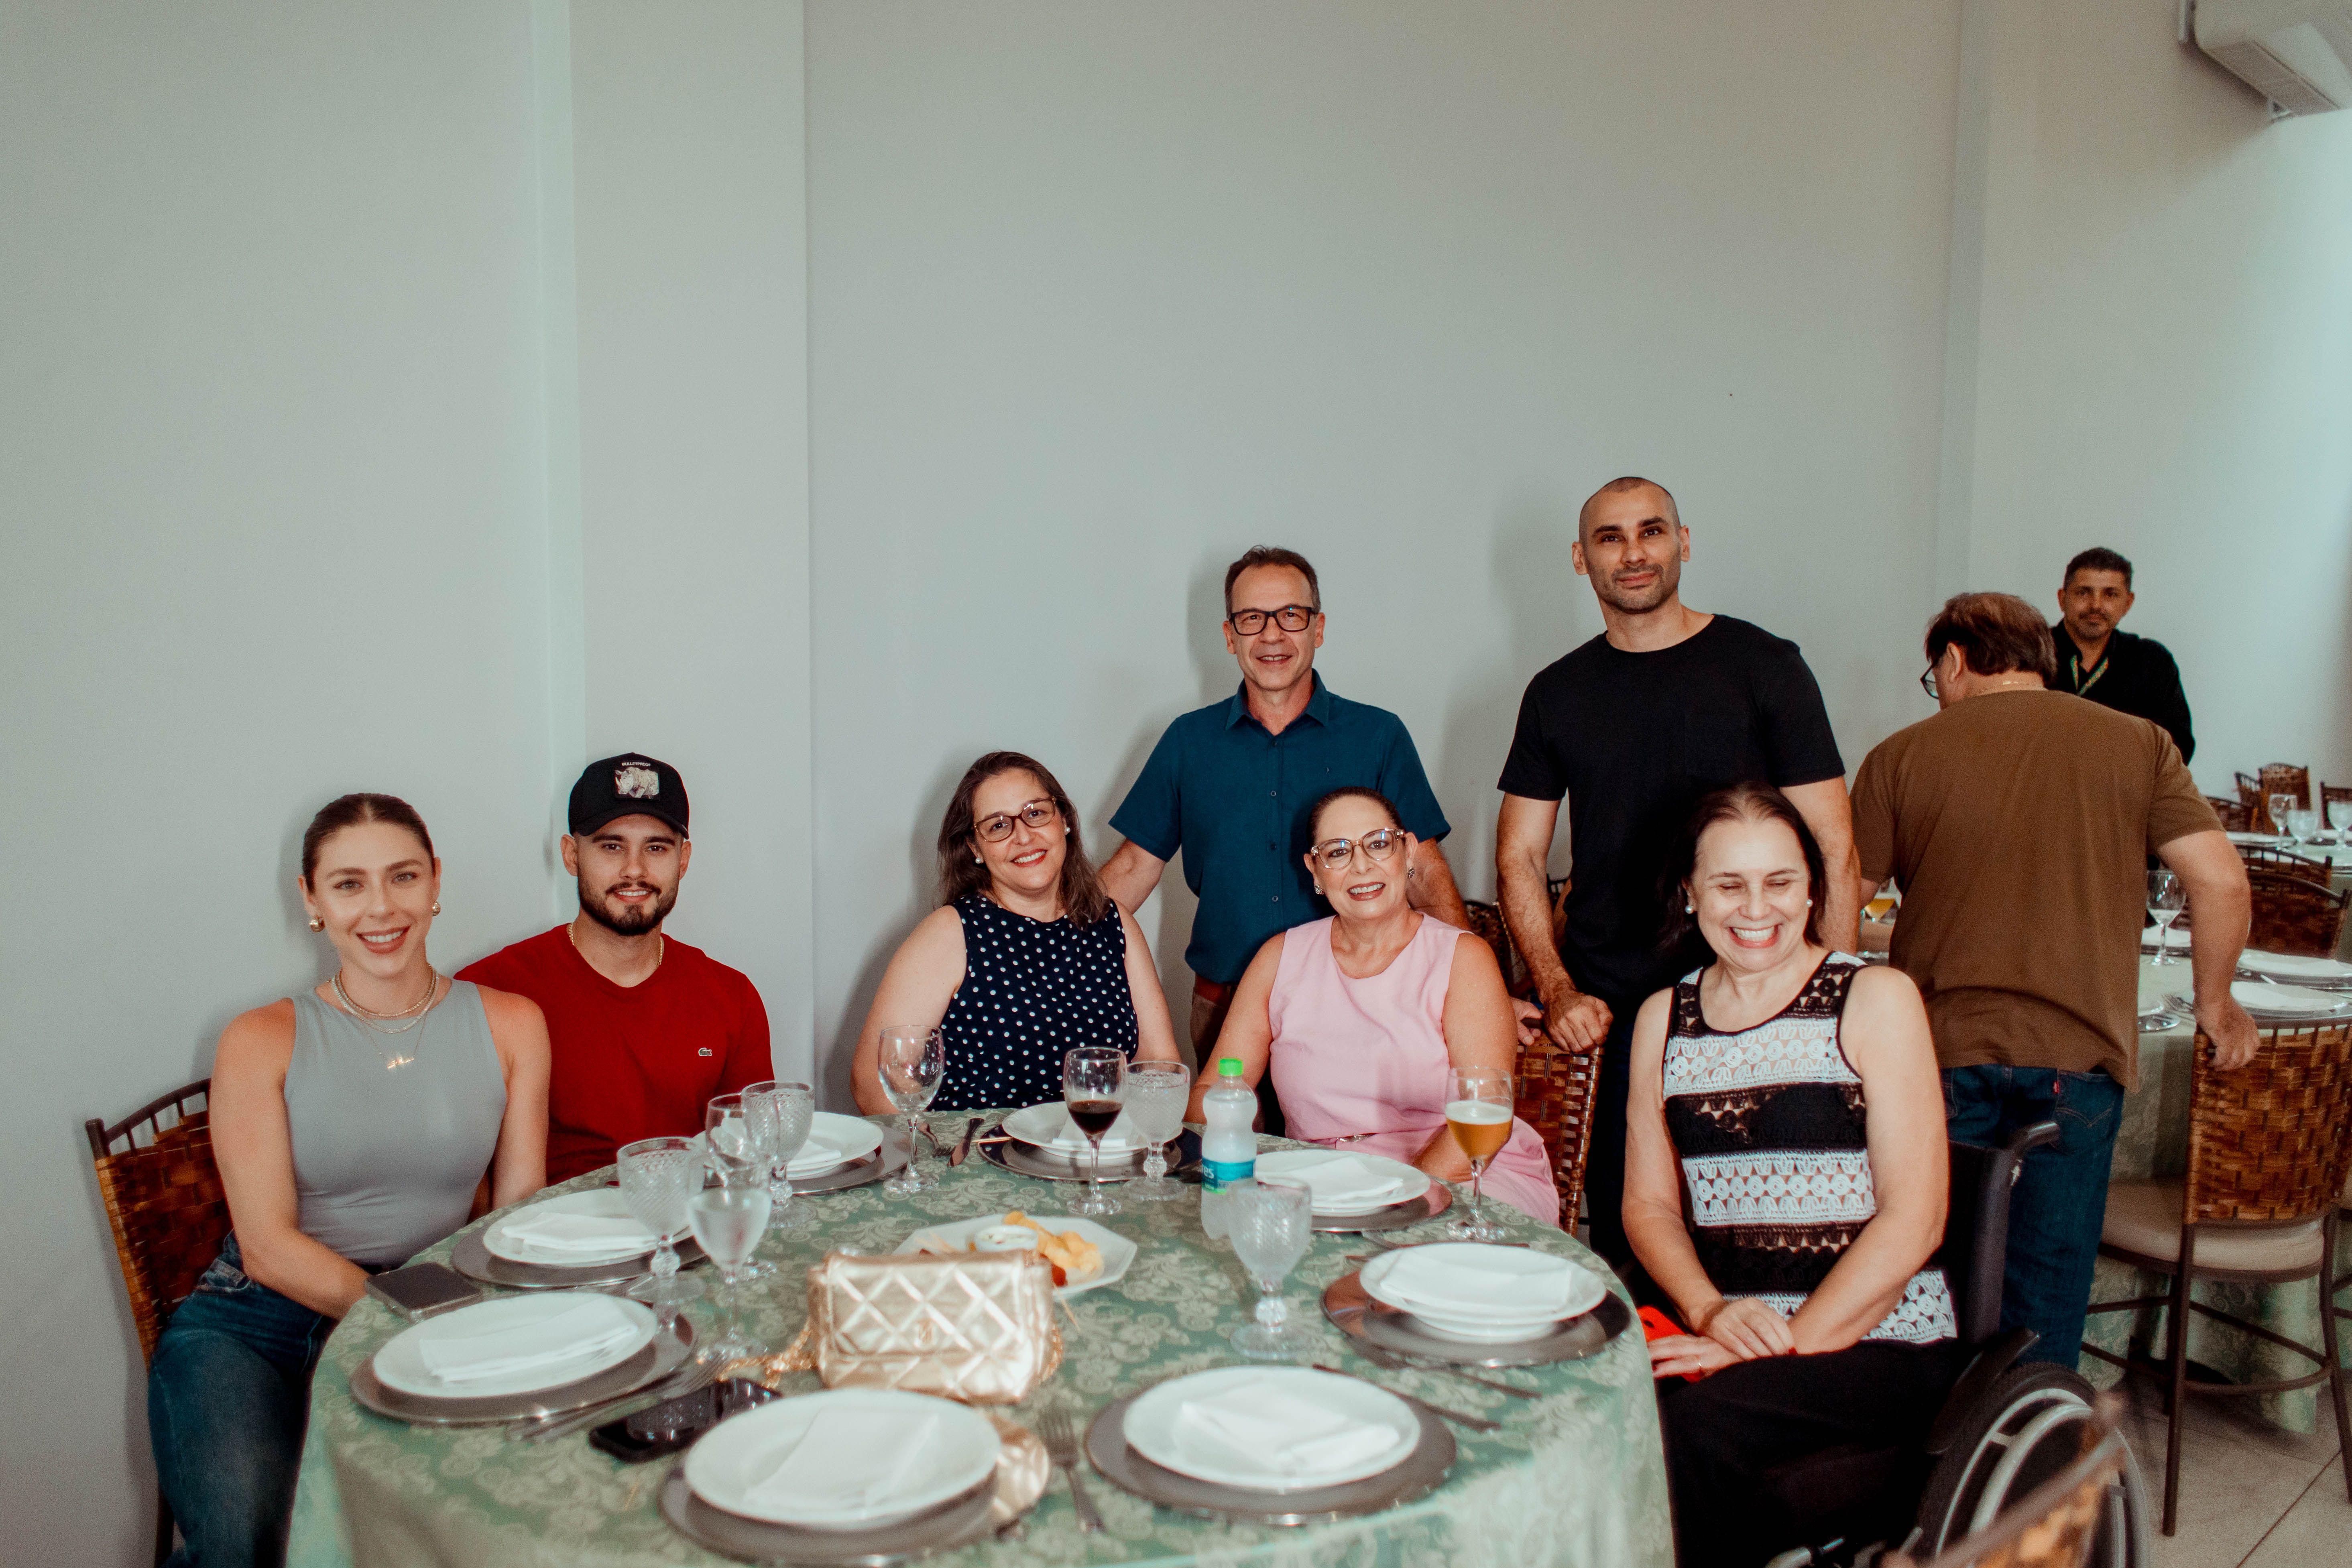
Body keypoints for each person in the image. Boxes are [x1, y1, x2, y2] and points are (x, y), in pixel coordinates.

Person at [1851, 592, 2255, 1368]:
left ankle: (1934, 1430)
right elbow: (2222, 881)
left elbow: (1843, 895)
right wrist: (2216, 1001)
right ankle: (2035, 1432)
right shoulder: (2140, 743)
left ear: (1955, 661)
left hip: (1939, 1052)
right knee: (2047, 1290)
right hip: (2080, 1055)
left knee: (1928, 1272)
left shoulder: (1901, 754)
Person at [149, 794, 548, 1568]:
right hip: (255, 1324)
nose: (381, 907)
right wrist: (417, 1318)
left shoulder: (513, 1024)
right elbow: (267, 1247)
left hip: (432, 1304)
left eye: (403, 876)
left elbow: (516, 1219)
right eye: (348, 884)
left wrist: (487, 1328)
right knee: (248, 1539)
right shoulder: (259, 1037)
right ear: (312, 899)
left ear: (436, 881)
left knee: (459, 1525)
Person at [1495, 476, 1858, 1265]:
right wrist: (1556, 987)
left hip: (1755, 1002)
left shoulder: (1765, 666)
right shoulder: (1556, 693)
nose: (1633, 553)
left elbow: (1834, 847)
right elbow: (1517, 856)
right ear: (1580, 558)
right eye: (1610, 537)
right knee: (1632, 1237)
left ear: (1683, 542)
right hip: (1615, 1012)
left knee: (1759, 1237)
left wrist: (1825, 1005)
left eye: (1651, 531)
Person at [1629, 783, 1956, 1568]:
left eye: (1779, 881)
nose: (1756, 908)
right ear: (1691, 892)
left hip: (1879, 1341)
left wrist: (1781, 1348)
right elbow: (1647, 1204)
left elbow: (1915, 1219)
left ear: (1812, 887)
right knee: (1581, 1399)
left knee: (1690, 1431)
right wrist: (1709, 1311)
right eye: (1728, 884)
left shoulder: (1872, 998)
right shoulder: (1661, 1018)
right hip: (1729, 1324)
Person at [1102, 545, 1467, 1135]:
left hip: (1358, 1005)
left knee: (1342, 1162)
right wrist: (1040, 951)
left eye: (1291, 615)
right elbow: (1131, 869)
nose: (1272, 634)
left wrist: (1476, 986)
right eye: (1252, 618)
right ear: (1230, 635)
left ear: (1318, 628)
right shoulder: (1188, 742)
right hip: (1223, 1009)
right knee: (1226, 1169)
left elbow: (1422, 868)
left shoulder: (1378, 735)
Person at [1186, 787, 1559, 1224]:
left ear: (1409, 851)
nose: (1361, 865)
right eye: (1337, 852)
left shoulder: (1464, 958)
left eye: (1378, 844)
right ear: (1315, 870)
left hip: (1462, 1173)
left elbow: (1486, 1112)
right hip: (1322, 1182)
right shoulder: (1278, 958)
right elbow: (1213, 1091)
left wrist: (1395, 1201)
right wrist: (1222, 1156)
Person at [459, 754, 770, 1183]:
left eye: (656, 848)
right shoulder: (489, 991)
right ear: (572, 855)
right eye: (612, 846)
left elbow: (749, 1160)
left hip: (686, 1216)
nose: (634, 869)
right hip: (553, 1221)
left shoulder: (732, 996)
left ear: (683, 860)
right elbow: (464, 1180)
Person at [853, 752, 1181, 1114]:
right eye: (998, 826)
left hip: (1098, 1145)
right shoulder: (949, 933)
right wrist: (937, 1145)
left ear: (1064, 820)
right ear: (974, 848)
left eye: (1036, 813)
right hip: (980, 1149)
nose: (1024, 836)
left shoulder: (1116, 924)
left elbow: (1159, 1063)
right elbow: (872, 1083)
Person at [2052, 546, 2194, 763]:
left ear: (2128, 603)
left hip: (2122, 785)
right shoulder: (2027, 655)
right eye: (2083, 593)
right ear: (2062, 599)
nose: (2096, 606)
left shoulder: (2153, 662)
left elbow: (2178, 748)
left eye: (2110, 595)